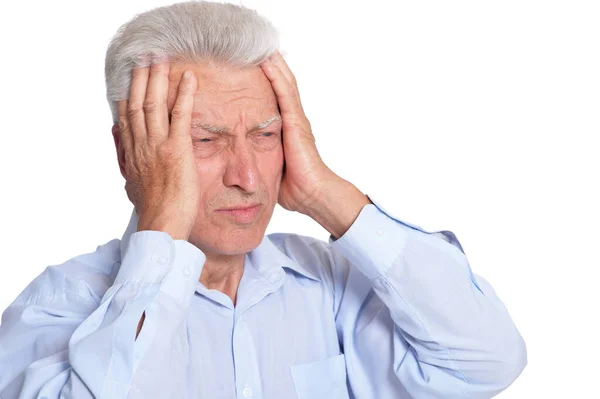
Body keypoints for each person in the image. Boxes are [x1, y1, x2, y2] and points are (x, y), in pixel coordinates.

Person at [0, 1, 527, 398]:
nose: (248, 176)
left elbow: (488, 361)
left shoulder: (329, 285)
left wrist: (325, 193)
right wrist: (163, 227)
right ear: (130, 153)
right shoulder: (61, 305)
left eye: (266, 134)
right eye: (204, 140)